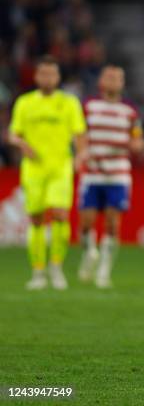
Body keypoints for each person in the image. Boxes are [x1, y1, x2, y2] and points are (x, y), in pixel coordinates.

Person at [8, 55, 87, 290]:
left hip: (60, 167)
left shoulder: (69, 103)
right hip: (33, 170)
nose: (47, 78)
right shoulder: (25, 103)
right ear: (36, 76)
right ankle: (38, 271)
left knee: (61, 214)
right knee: (36, 220)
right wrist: (21, 145)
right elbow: (13, 133)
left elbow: (80, 134)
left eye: (52, 74)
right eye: (43, 73)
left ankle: (56, 267)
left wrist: (81, 155)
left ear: (58, 77)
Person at [77, 65, 144, 288]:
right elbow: (79, 134)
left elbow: (138, 141)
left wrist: (129, 144)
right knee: (86, 223)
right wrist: (81, 153)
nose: (114, 81)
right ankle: (89, 253)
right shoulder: (88, 107)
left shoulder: (130, 112)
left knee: (112, 224)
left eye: (118, 78)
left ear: (122, 83)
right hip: (92, 172)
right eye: (110, 77)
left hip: (117, 174)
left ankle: (104, 271)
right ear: (101, 81)